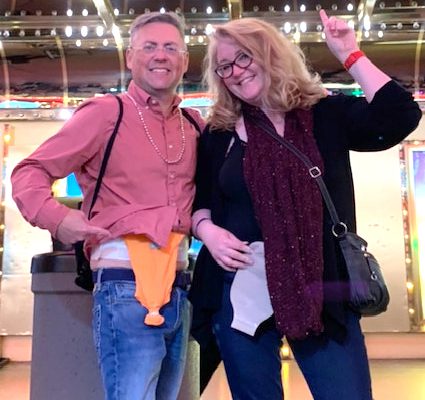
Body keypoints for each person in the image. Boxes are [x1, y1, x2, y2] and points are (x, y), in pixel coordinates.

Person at [189, 10, 421, 400]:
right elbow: (201, 204)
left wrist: (349, 53)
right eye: (225, 66)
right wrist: (208, 233)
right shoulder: (219, 132)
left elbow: (399, 115)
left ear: (270, 54)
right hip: (242, 287)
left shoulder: (324, 113)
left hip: (320, 286)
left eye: (244, 57)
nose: (236, 72)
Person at [11, 11, 204, 400]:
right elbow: (29, 171)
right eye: (149, 46)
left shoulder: (193, 125)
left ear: (185, 61)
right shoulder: (105, 113)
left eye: (171, 47)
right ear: (130, 57)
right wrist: (60, 220)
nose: (160, 55)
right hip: (123, 286)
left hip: (179, 287)